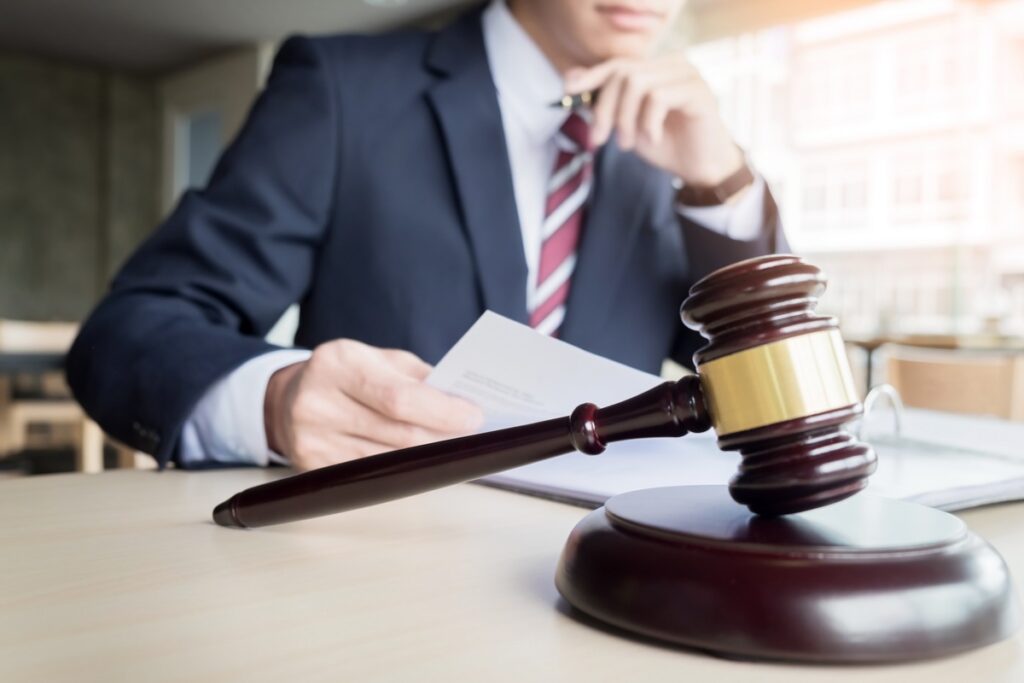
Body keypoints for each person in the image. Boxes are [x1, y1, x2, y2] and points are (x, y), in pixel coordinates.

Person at [67, 0, 786, 471]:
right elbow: (129, 330)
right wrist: (274, 401)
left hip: (610, 589)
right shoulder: (342, 88)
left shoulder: (684, 155)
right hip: (370, 584)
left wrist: (720, 183)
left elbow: (778, 393)